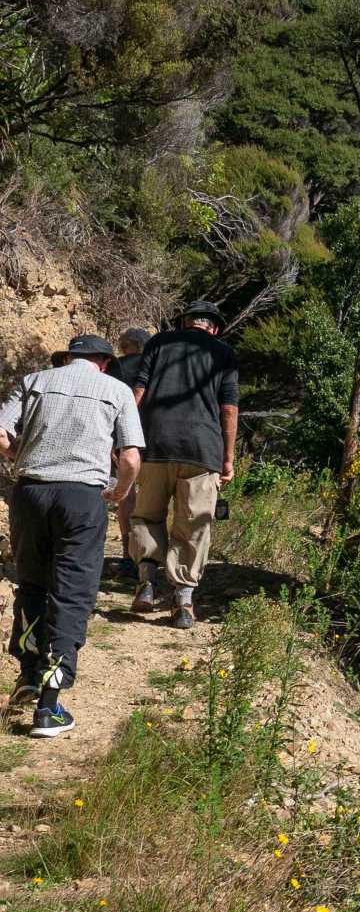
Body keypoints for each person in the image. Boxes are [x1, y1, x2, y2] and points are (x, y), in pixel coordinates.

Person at [0, 334, 144, 738]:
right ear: (104, 361)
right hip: (82, 497)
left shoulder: (34, 381)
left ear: (66, 358)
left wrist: (20, 454)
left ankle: (29, 674)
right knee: (72, 592)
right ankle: (49, 707)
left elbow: (0, 434)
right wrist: (120, 491)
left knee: (32, 584)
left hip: (31, 492)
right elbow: (131, 457)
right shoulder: (116, 390)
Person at [130, 301, 238, 631]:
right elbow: (229, 409)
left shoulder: (158, 343)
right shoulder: (224, 353)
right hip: (202, 450)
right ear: (214, 328)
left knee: (147, 515)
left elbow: (138, 391)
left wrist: (126, 439)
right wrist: (228, 458)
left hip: (155, 444)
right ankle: (183, 602)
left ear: (183, 323)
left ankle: (147, 582)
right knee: (194, 525)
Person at [106, 328, 150, 580]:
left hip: (123, 437)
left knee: (126, 496)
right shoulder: (157, 365)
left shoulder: (115, 367)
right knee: (153, 498)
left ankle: (128, 556)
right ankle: (149, 556)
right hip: (156, 436)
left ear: (123, 346)